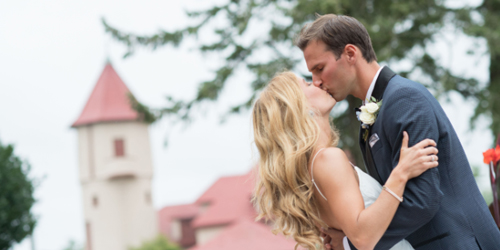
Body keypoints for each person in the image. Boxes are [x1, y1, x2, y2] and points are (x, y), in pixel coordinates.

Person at [296, 14, 500, 250]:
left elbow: (423, 199)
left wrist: (351, 244)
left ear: (350, 54)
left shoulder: (404, 98)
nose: (317, 81)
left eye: (319, 68)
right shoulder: (372, 114)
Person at [252, 71, 438, 250]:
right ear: (300, 107)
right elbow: (363, 238)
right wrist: (401, 173)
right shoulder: (327, 159)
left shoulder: (310, 172)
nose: (317, 82)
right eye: (308, 84)